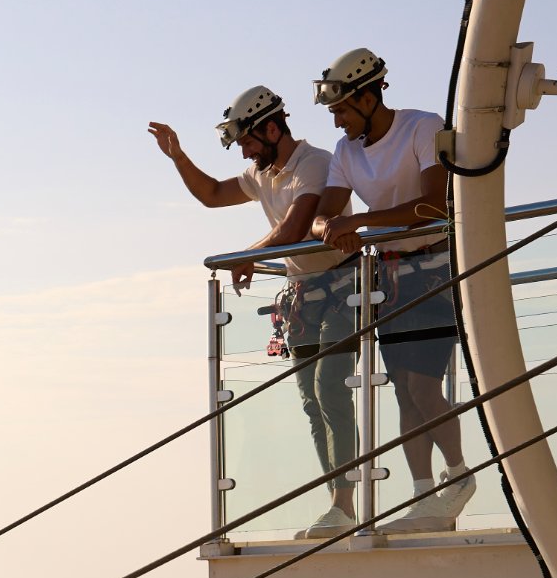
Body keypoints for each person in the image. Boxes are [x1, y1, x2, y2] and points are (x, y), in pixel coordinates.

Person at [150, 87, 359, 532]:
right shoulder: (263, 172)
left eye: (247, 140)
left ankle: (345, 503)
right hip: (303, 289)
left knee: (331, 389)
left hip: (344, 284)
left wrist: (248, 254)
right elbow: (211, 194)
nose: (244, 150)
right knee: (311, 401)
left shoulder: (314, 163)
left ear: (271, 127)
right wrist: (177, 157)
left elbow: (297, 224)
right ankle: (338, 504)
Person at [311, 47, 475, 532]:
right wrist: (329, 227)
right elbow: (326, 212)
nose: (337, 121)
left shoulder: (422, 127)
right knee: (405, 391)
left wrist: (358, 221)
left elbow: (434, 206)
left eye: (341, 109)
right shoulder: (345, 152)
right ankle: (424, 495)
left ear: (367, 95)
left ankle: (459, 476)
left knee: (425, 384)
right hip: (391, 278)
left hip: (436, 272)